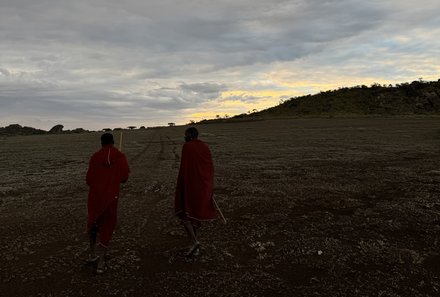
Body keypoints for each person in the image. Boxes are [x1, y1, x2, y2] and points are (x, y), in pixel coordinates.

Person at [86, 132, 130, 274]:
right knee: (107, 226)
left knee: (93, 223)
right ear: (113, 142)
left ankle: (93, 254)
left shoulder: (94, 157)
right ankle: (100, 263)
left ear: (101, 142)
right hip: (110, 198)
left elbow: (88, 180)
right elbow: (124, 178)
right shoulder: (119, 156)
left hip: (94, 197)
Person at [175, 127, 216, 256]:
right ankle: (195, 246)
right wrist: (208, 186)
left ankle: (194, 242)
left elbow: (185, 167)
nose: (184, 137)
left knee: (186, 213)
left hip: (190, 185)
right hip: (203, 185)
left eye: (186, 135)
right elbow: (209, 167)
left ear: (190, 136)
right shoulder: (205, 146)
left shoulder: (187, 147)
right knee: (194, 213)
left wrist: (181, 184)